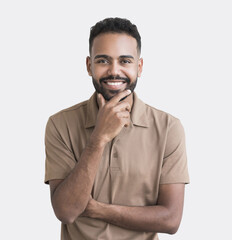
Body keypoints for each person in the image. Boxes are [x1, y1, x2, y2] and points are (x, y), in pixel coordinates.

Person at [44, 17, 189, 240]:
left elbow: (170, 220)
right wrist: (98, 138)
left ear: (139, 67)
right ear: (89, 65)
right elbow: (66, 211)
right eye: (103, 61)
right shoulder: (60, 124)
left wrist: (95, 208)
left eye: (125, 61)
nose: (114, 71)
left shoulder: (169, 128)